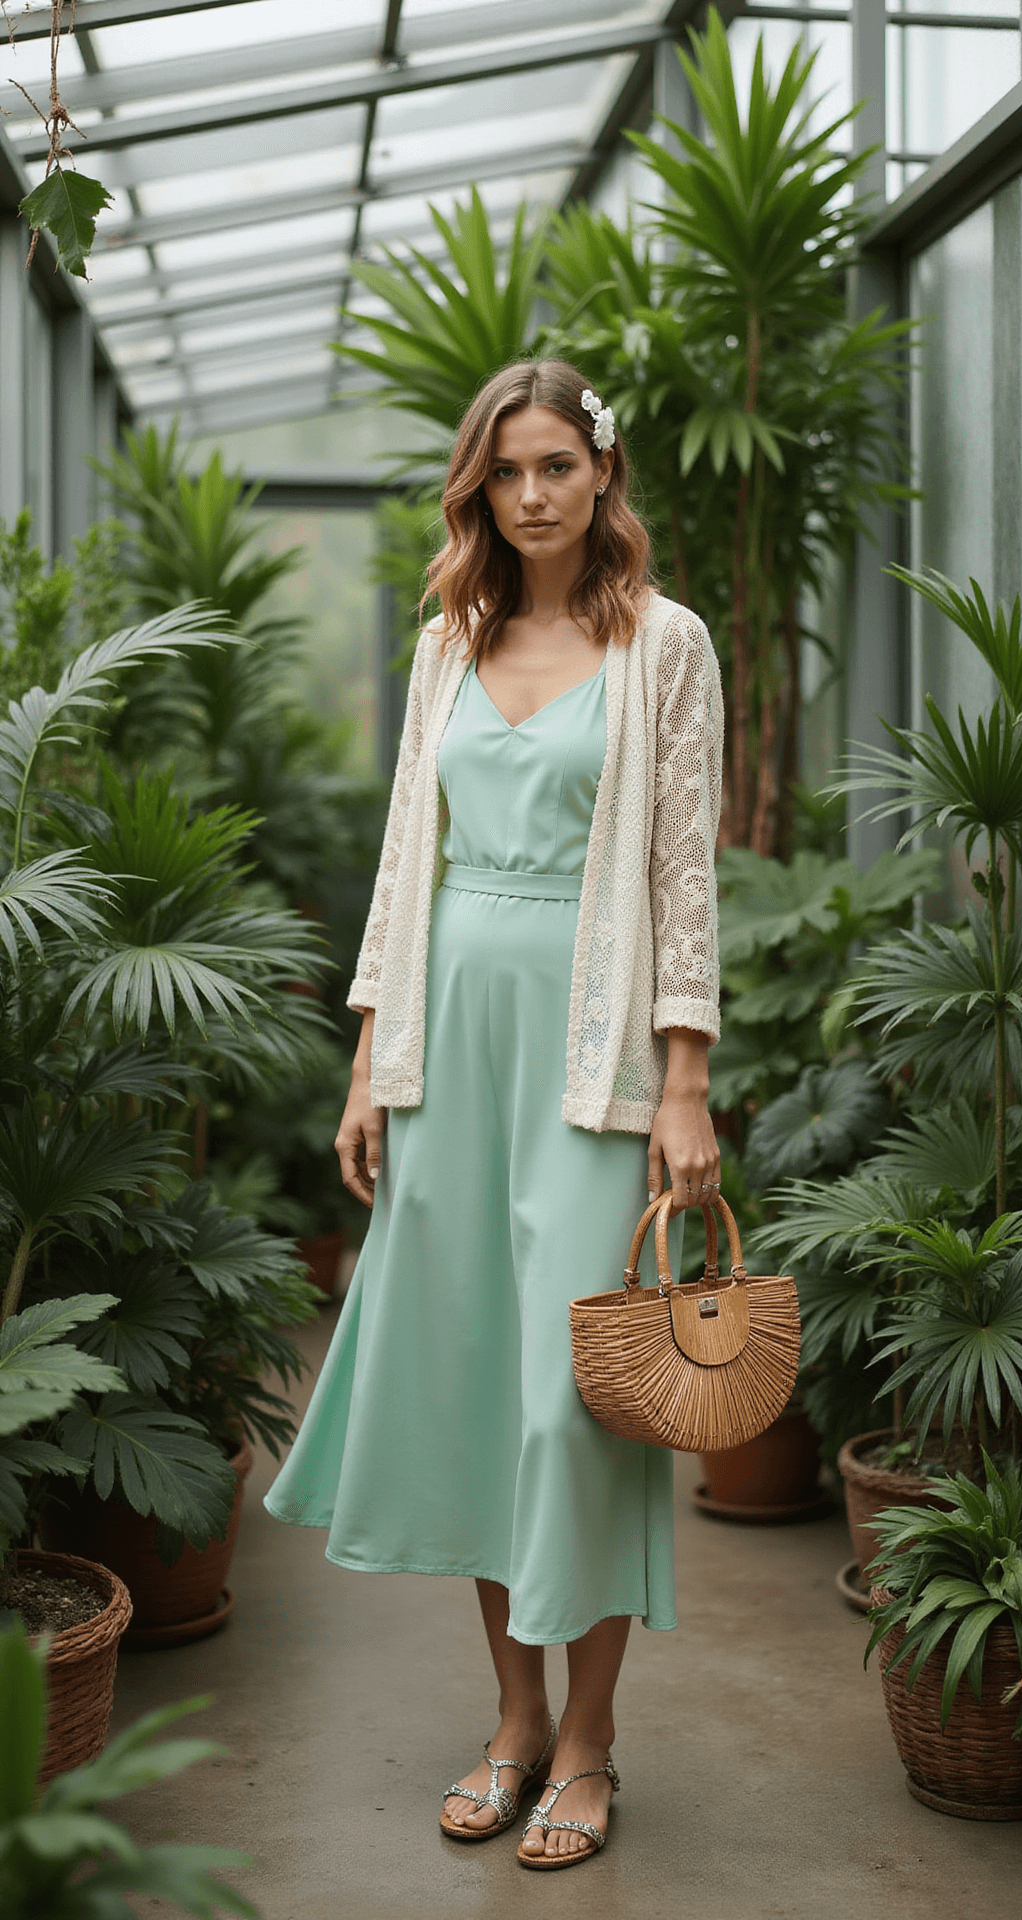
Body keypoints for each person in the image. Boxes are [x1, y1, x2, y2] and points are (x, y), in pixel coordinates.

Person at [265, 358, 723, 1871]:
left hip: (586, 1058)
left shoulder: (667, 648)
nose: (530, 496)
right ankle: (514, 1721)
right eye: (505, 473)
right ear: (480, 486)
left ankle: (592, 1744)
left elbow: (683, 883)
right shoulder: (449, 640)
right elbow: (412, 860)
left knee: (568, 1407)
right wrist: (367, 1061)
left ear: (605, 476)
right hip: (451, 1043)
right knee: (475, 1389)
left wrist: (685, 1080)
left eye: (555, 468)